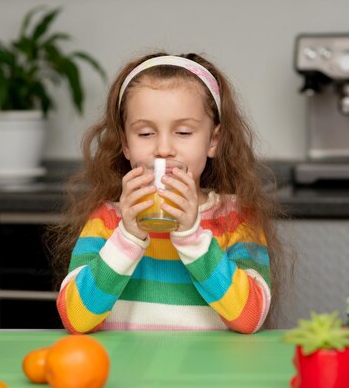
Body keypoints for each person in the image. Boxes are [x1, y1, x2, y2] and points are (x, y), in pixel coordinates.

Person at [48, 52, 288, 334]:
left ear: (213, 140)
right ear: (125, 145)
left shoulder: (237, 218)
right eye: (145, 134)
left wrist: (191, 237)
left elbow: (251, 318)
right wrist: (128, 235)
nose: (163, 149)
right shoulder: (107, 221)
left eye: (184, 132)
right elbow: (76, 319)